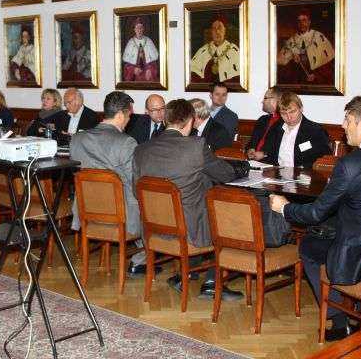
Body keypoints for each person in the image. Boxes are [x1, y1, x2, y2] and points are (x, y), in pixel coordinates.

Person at [270, 94, 361, 341]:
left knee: (309, 245)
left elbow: (315, 213)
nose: (342, 126)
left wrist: (285, 207)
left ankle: (340, 320)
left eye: (347, 120)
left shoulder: (351, 164)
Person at [133, 99, 243, 300]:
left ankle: (187, 274)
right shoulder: (196, 146)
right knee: (230, 218)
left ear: (165, 120)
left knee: (199, 199)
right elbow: (226, 174)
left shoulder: (141, 150)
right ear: (191, 121)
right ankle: (212, 282)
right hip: (190, 232)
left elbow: (136, 191)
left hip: (154, 230)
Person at [70, 91, 152, 277]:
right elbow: (135, 183)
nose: (129, 120)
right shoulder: (126, 142)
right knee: (154, 205)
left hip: (87, 213)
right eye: (129, 116)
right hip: (120, 217)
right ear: (121, 114)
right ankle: (141, 260)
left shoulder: (77, 139)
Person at [252, 92, 331, 168]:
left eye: (292, 112)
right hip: (277, 173)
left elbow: (324, 158)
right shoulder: (276, 128)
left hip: (303, 174)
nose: (289, 117)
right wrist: (263, 154)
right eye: (284, 113)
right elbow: (270, 153)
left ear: (301, 108)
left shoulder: (315, 131)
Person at [277, 8, 334, 85]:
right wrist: (292, 59)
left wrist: (316, 75)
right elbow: (281, 63)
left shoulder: (318, 37)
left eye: (304, 20)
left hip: (316, 79)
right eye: (299, 21)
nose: (301, 23)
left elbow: (328, 63)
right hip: (298, 80)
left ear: (309, 22)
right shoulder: (291, 40)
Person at [190, 17, 240, 83]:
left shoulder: (234, 50)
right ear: (211, 32)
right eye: (214, 28)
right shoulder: (203, 50)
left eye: (220, 28)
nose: (217, 32)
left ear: (225, 30)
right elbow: (193, 74)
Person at [247, 88, 283, 158]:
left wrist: (264, 154)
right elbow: (251, 142)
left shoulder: (285, 122)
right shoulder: (262, 120)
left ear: (275, 100)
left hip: (271, 162)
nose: (262, 101)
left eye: (265, 98)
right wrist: (251, 149)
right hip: (253, 161)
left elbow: (280, 148)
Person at [122, 18, 159, 82]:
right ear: (134, 30)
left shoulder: (148, 41)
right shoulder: (131, 42)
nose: (139, 30)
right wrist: (133, 69)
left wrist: (150, 69)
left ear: (143, 29)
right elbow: (126, 62)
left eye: (141, 28)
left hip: (147, 70)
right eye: (137, 28)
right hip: (135, 73)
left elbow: (154, 59)